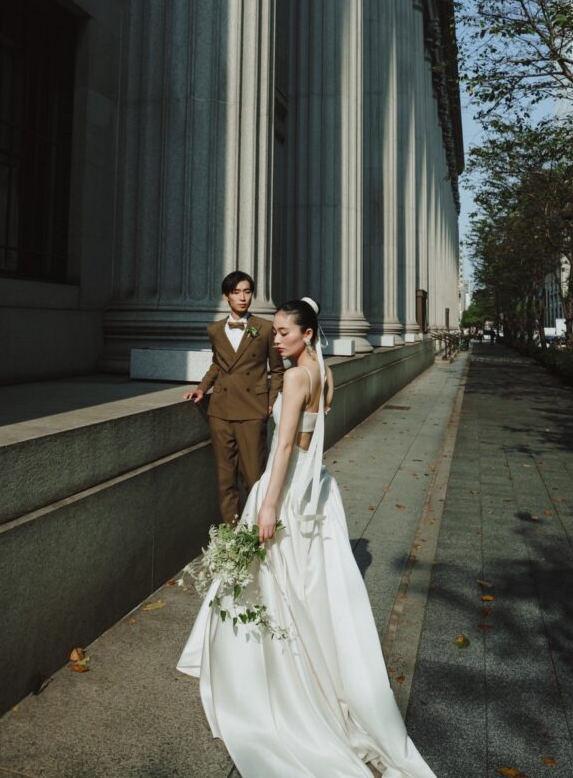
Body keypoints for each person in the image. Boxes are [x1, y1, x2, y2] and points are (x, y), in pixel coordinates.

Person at [178, 297, 437, 778]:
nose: (274, 339)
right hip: (316, 484)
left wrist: (270, 503)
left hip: (290, 485)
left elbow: (282, 447)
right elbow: (312, 436)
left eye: (282, 333)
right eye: (273, 332)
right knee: (300, 583)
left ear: (308, 334)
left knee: (273, 581)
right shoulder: (323, 370)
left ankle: (265, 676)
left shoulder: (297, 377)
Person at [183, 270, 284, 524]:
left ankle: (256, 534)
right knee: (225, 478)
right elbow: (218, 364)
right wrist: (201, 388)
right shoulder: (215, 330)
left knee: (254, 477)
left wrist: (271, 401)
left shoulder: (265, 328)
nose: (243, 297)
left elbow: (278, 369)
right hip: (220, 411)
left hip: (253, 410)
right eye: (237, 292)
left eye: (247, 291)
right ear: (226, 296)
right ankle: (232, 535)